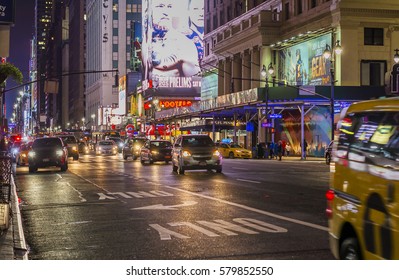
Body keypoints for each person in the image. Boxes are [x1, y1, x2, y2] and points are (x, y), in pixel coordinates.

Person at [149, 0, 200, 78]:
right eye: (160, 6)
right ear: (149, 11)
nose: (166, 12)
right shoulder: (145, 43)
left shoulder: (184, 44)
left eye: (169, 7)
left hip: (173, 89)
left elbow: (195, 82)